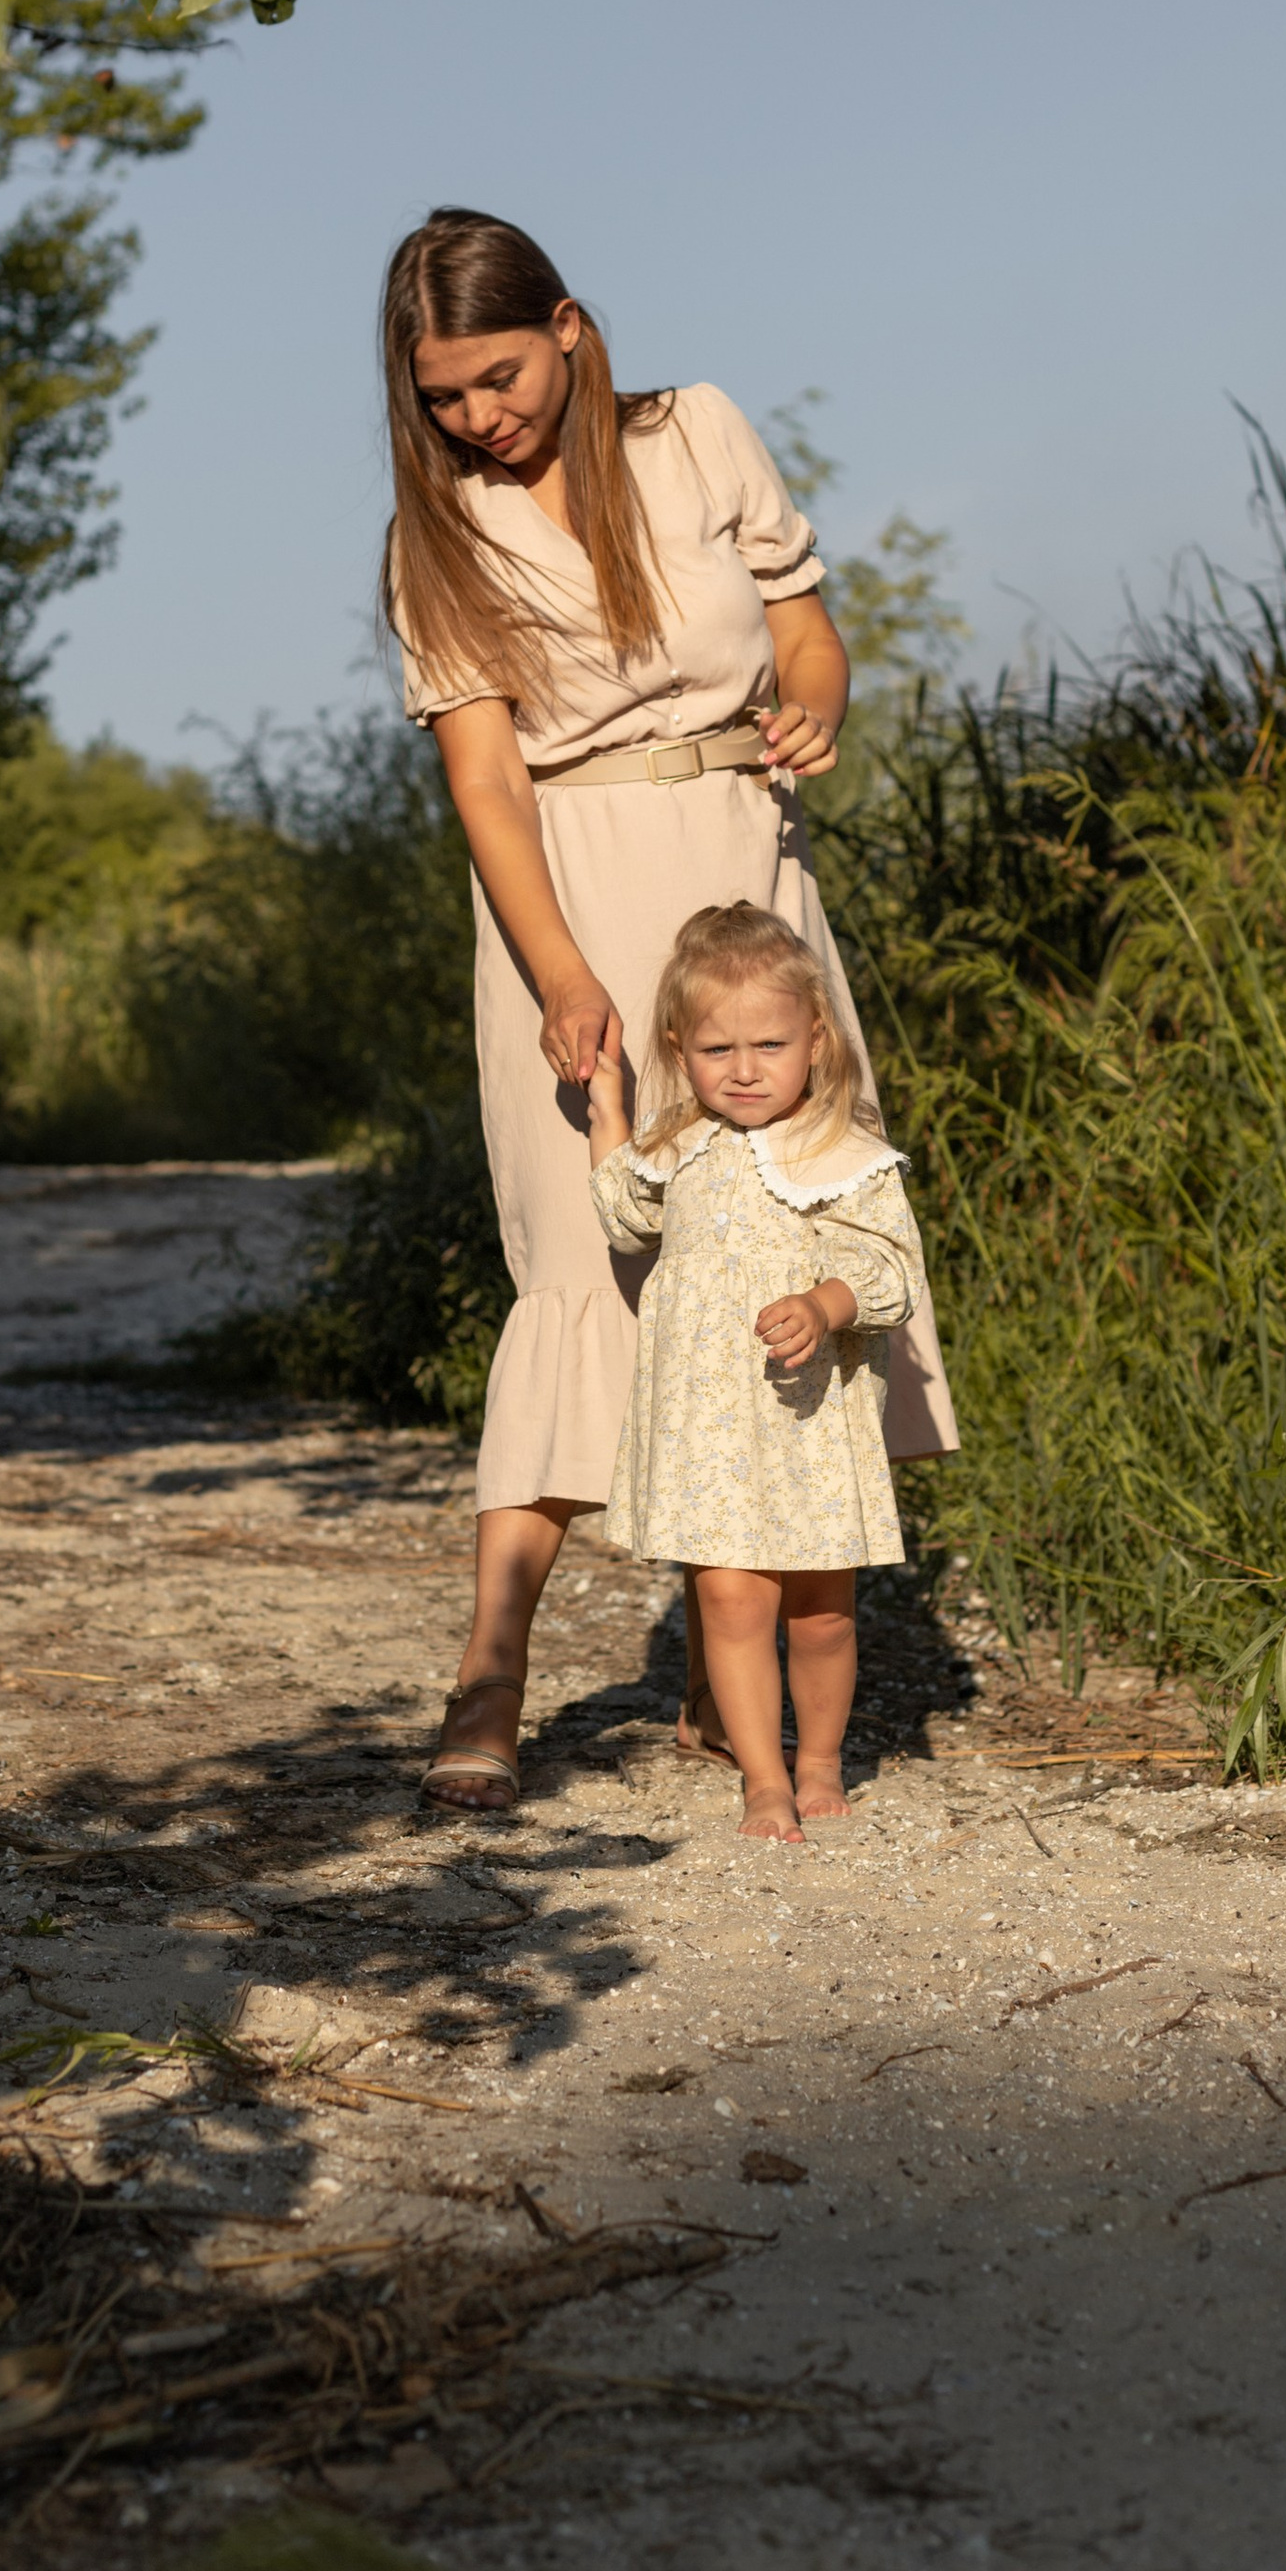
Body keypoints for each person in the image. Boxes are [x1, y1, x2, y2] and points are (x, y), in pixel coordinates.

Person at [379, 205, 956, 1813]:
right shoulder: (444, 539)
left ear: (567, 325)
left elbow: (806, 634)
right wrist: (564, 976)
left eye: (494, 375)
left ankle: (734, 1675)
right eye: (439, 396)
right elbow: (486, 781)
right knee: (586, 1272)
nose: (474, 416)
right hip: (566, 893)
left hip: (742, 881)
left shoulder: (697, 437)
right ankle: (492, 1673)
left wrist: (815, 711)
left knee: (782, 1240)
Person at [586, 902, 925, 1843]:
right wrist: (610, 1108)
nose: (742, 1070)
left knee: (818, 1612)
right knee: (731, 1598)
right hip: (709, 1428)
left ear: (816, 1038)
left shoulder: (846, 1154)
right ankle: (763, 1778)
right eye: (715, 1049)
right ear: (679, 1048)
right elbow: (625, 1216)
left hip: (812, 1423)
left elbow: (894, 1270)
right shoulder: (678, 1143)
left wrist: (825, 1305)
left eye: (768, 1044)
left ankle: (821, 1758)